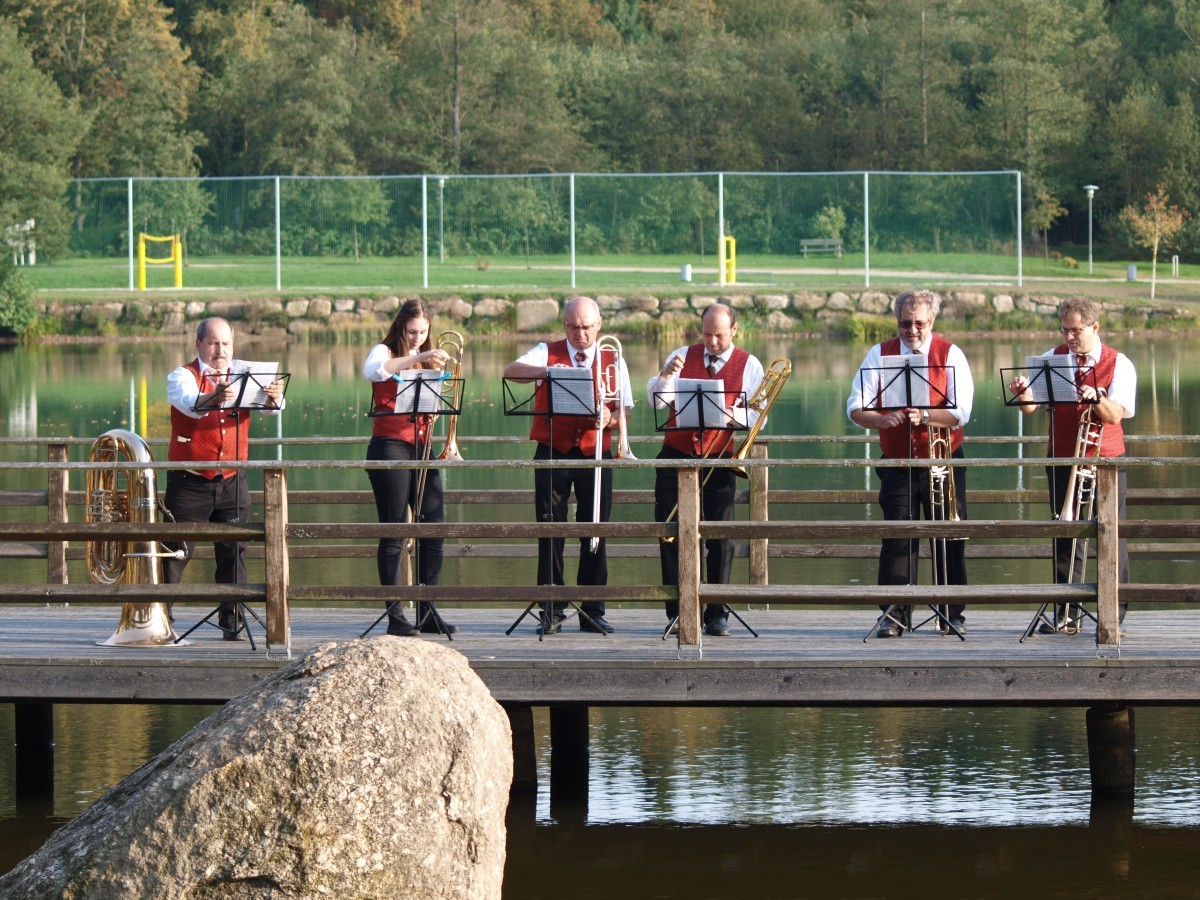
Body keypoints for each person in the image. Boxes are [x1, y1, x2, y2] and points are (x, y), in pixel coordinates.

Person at [503, 296, 634, 635]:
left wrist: (610, 418)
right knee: (550, 531)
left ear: (599, 324)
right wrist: (547, 372)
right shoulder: (546, 351)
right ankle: (552, 609)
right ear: (564, 325)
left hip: (596, 452)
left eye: (587, 327)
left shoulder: (613, 358)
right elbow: (510, 371)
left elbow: (624, 411)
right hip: (553, 449)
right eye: (574, 327)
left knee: (595, 532)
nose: (581, 334)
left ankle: (593, 611)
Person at [847, 289, 974, 638]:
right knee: (897, 538)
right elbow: (855, 407)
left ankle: (951, 613)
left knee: (949, 537)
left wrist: (928, 415)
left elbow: (962, 412)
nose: (912, 330)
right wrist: (880, 419)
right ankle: (894, 614)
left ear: (932, 320)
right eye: (905, 323)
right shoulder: (879, 354)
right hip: (897, 461)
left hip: (942, 459)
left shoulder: (951, 354)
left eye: (919, 323)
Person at [1006, 295, 1136, 633]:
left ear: (1095, 327)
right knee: (1065, 536)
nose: (1069, 337)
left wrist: (1098, 398)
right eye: (1065, 330)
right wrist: (1022, 393)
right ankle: (1065, 614)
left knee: (1112, 536)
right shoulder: (1052, 358)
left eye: (1076, 330)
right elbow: (1031, 408)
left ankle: (1114, 614)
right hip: (1062, 458)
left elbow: (1116, 414)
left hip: (1106, 462)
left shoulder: (1119, 363)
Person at [164, 316, 285, 640]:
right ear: (199, 344)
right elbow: (189, 404)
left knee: (234, 553)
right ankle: (160, 619)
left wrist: (274, 395)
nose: (221, 350)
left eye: (226, 343)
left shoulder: (244, 374)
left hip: (232, 479)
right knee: (175, 553)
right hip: (190, 480)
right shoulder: (182, 375)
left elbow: (271, 409)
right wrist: (213, 397)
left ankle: (232, 620)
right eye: (214, 343)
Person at [648, 303, 764, 637]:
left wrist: (731, 415)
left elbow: (759, 416)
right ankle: (679, 611)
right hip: (675, 455)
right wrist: (665, 377)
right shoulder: (681, 355)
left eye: (720, 335)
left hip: (720, 458)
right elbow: (657, 402)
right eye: (707, 334)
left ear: (735, 330)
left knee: (721, 537)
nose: (712, 342)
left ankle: (717, 613)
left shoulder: (750, 364)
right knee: (671, 533)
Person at [364, 299, 460, 637]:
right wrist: (419, 357)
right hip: (389, 446)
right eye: (412, 332)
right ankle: (395, 615)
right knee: (395, 530)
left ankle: (426, 609)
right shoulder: (384, 350)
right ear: (400, 327)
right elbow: (374, 371)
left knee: (433, 528)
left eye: (423, 332)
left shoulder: (426, 356)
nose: (418, 338)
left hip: (422, 447)